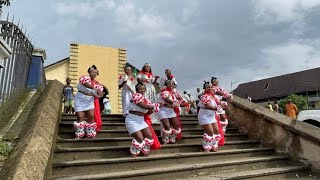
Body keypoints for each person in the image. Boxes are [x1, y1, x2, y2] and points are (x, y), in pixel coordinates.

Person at [125, 83, 160, 157]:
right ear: (137, 90)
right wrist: (152, 106)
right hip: (132, 119)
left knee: (149, 136)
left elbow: (148, 112)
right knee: (140, 138)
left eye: (143, 88)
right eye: (140, 88)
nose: (142, 90)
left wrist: (155, 108)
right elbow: (142, 105)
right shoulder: (135, 96)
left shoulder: (147, 101)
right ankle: (134, 152)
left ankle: (144, 151)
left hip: (141, 120)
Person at [73, 65, 103, 139]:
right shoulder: (84, 78)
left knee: (91, 116)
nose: (94, 74)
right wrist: (95, 88)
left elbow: (99, 93)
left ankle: (91, 133)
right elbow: (86, 84)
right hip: (80, 99)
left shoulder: (98, 84)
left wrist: (100, 94)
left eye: (96, 73)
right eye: (93, 72)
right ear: (89, 72)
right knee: (80, 116)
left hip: (89, 100)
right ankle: (79, 134)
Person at [198, 81, 222, 152]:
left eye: (211, 87)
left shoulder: (213, 96)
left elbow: (219, 103)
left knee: (216, 131)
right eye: (208, 87)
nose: (210, 88)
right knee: (210, 132)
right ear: (205, 89)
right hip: (204, 116)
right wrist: (216, 108)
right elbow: (207, 105)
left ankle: (213, 145)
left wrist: (223, 103)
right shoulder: (204, 96)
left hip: (211, 116)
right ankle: (205, 146)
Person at [157, 79, 183, 144]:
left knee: (176, 125)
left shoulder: (174, 93)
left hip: (171, 111)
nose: (171, 85)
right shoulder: (164, 91)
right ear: (166, 85)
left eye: (172, 83)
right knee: (167, 125)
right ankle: (165, 138)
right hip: (163, 111)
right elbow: (166, 99)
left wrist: (182, 103)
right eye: (169, 83)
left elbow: (180, 99)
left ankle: (172, 137)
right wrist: (174, 103)